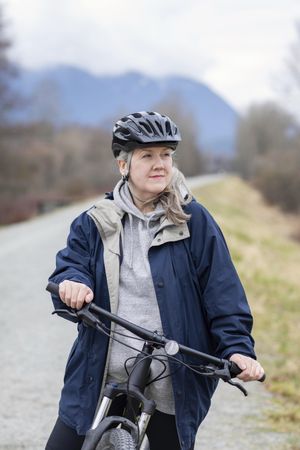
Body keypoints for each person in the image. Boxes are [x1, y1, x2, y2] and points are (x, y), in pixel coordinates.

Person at [46, 111, 264, 450]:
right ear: (123, 165)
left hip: (173, 379)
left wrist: (238, 349)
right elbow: (69, 268)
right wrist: (73, 284)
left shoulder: (195, 221)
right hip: (102, 373)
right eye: (147, 155)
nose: (160, 163)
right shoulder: (94, 222)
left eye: (166, 155)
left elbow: (222, 293)